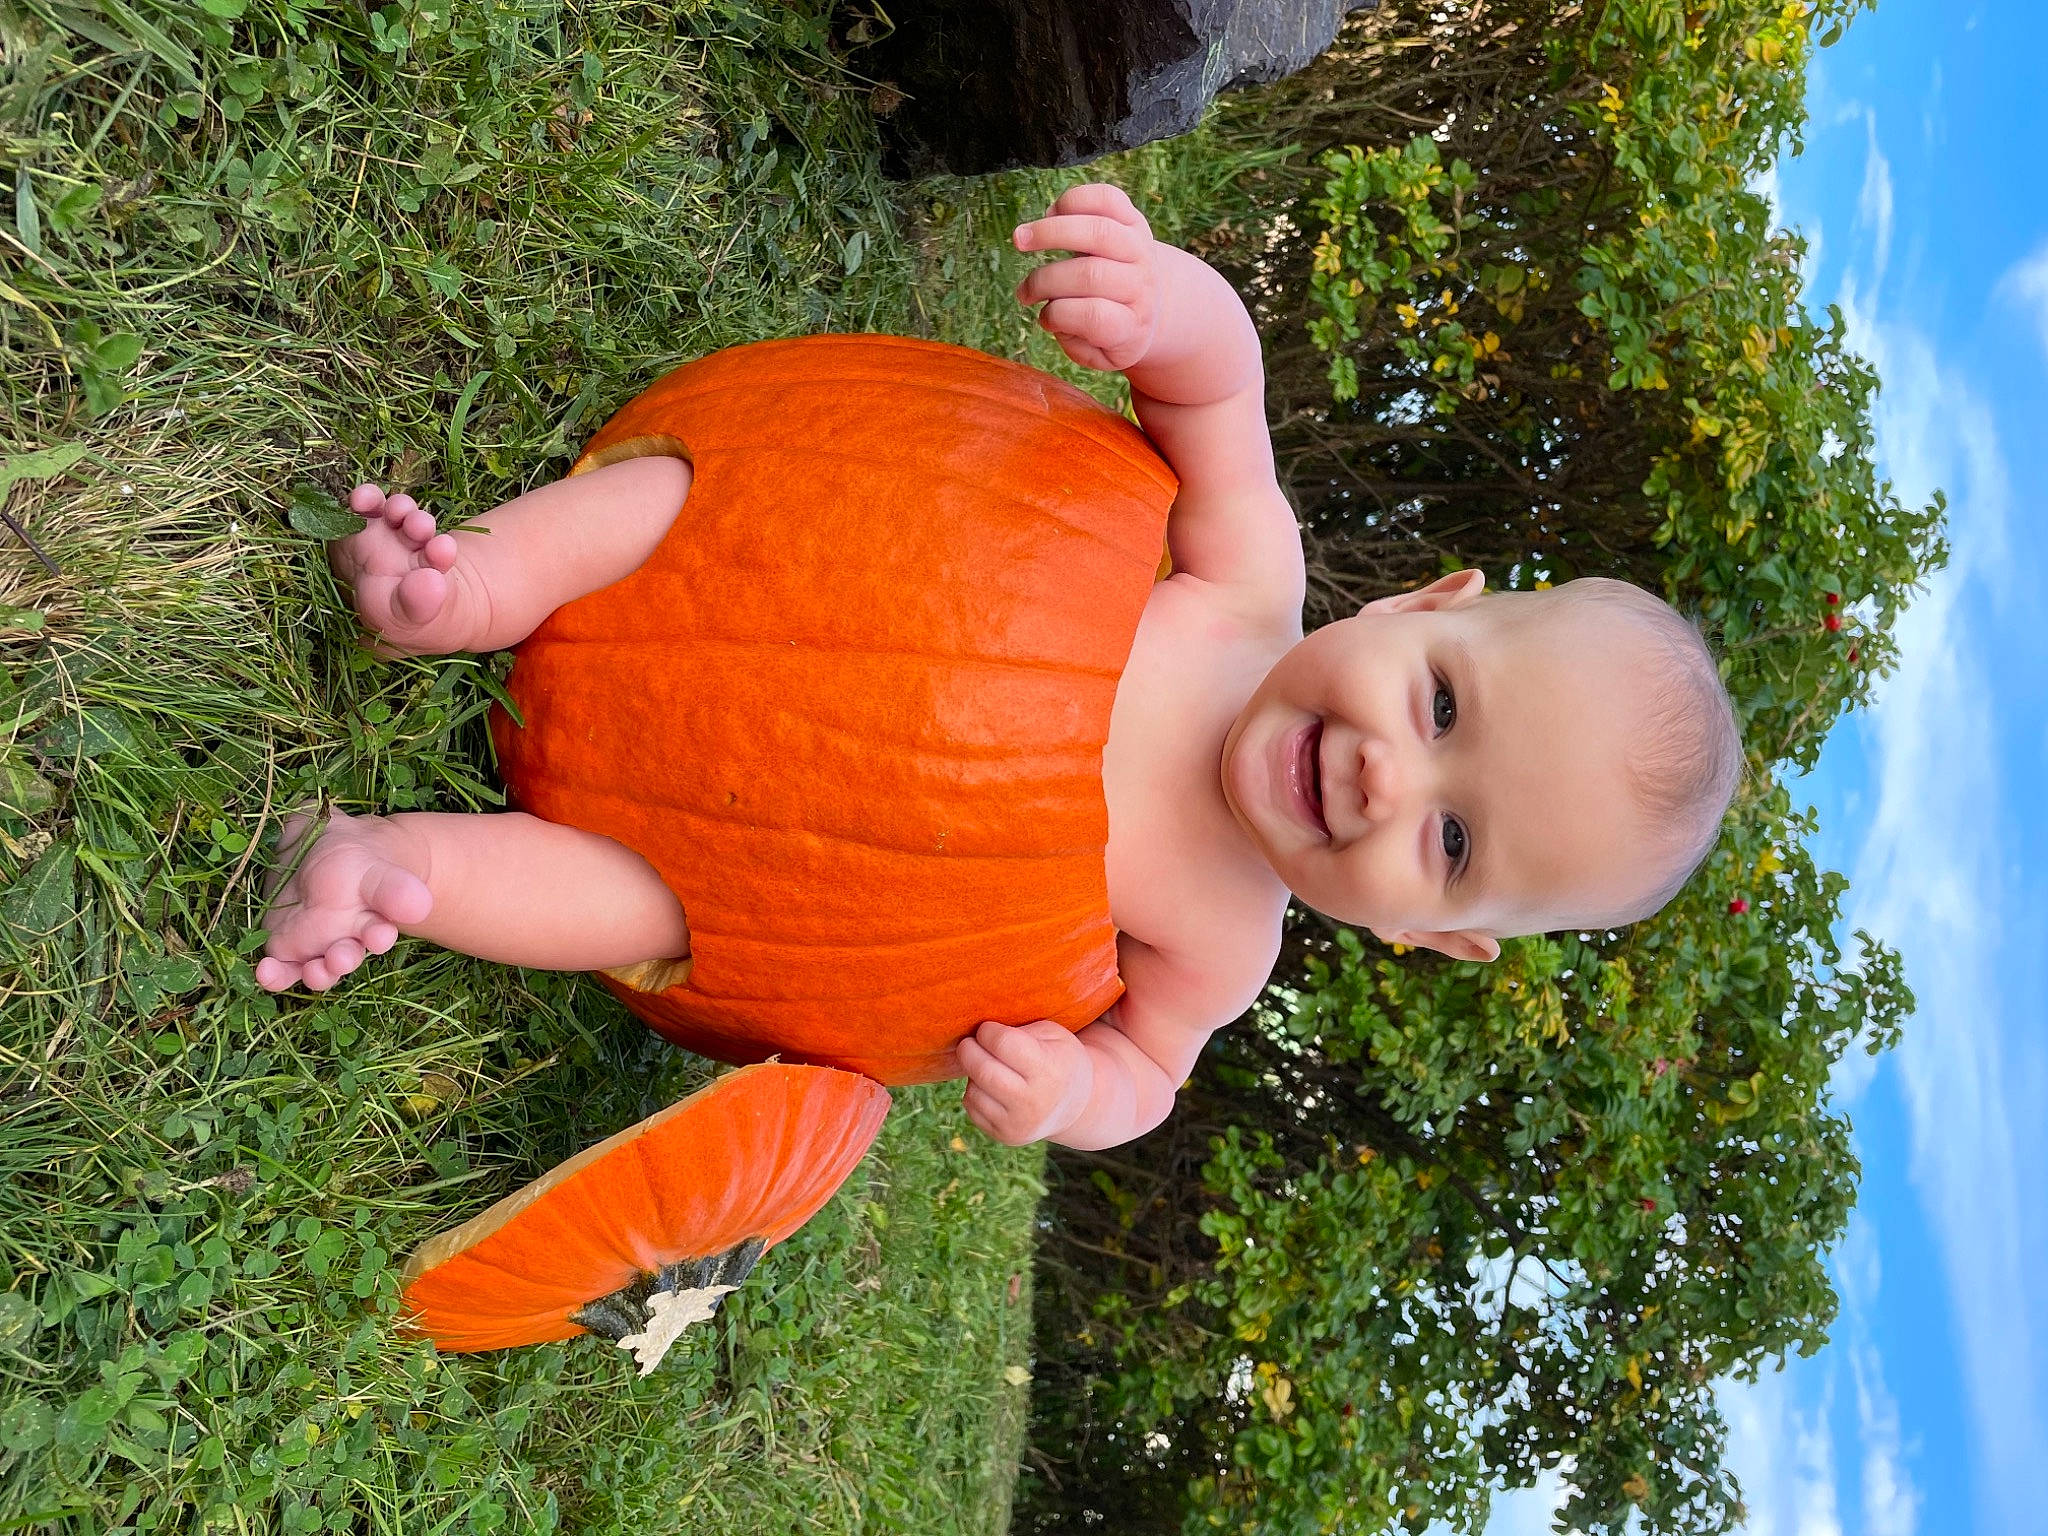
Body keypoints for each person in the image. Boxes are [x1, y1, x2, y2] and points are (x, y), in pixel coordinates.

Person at [255, 183, 1742, 1153]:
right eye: (1439, 705)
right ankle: (475, 585)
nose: (1380, 773)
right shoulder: (1246, 579)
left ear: (1436, 939)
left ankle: (401, 873)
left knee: (644, 912)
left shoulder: (1222, 945)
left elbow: (1144, 1081)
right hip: (797, 561)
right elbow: (1220, 386)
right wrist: (1161, 305)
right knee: (702, 508)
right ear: (1425, 602)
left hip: (760, 877)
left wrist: (1074, 1094)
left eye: (1454, 837)